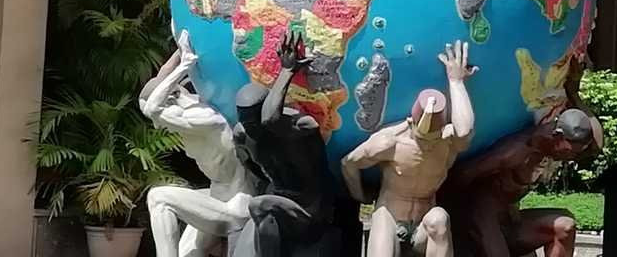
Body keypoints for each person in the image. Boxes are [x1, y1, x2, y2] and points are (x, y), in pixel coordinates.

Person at [341, 41, 477, 257]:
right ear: (411, 123)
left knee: (439, 217)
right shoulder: (391, 141)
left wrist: (456, 81)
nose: (428, 143)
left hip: (423, 226)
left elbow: (465, 130)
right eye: (422, 138)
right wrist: (360, 196)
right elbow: (349, 163)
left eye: (432, 138)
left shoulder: (447, 141)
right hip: (390, 219)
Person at [139, 30, 256, 257]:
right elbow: (157, 91)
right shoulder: (185, 114)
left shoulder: (203, 119)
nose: (157, 124)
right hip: (217, 197)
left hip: (235, 207)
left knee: (158, 198)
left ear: (173, 97)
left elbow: (154, 107)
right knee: (185, 253)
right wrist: (180, 52)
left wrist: (185, 65)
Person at [442, 107, 603, 257]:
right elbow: (462, 174)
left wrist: (573, 92)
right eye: (569, 152)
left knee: (565, 226)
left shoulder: (557, 144)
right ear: (558, 137)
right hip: (483, 220)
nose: (571, 158)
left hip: (510, 220)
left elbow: (597, 144)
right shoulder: (514, 152)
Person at [230, 31, 335, 257]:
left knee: (259, 205)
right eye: (244, 122)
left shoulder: (301, 128)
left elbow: (270, 119)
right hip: (278, 200)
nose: (250, 129)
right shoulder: (241, 135)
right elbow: (251, 166)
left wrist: (287, 70)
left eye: (253, 122)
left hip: (308, 210)